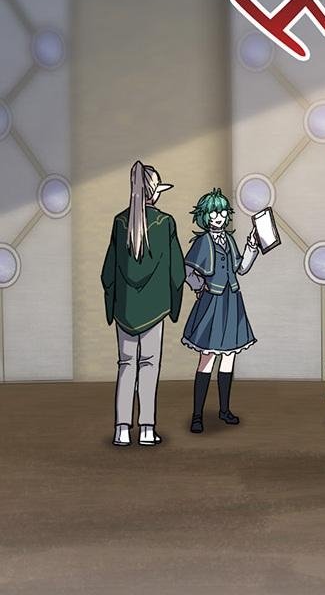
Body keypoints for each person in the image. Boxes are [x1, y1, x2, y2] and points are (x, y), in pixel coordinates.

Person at [100, 160, 185, 447]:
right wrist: (173, 305)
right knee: (149, 366)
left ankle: (121, 430)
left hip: (124, 310)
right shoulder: (166, 223)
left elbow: (107, 272)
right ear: (154, 192)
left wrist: (112, 306)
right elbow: (177, 272)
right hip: (154, 309)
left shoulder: (119, 222)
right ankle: (147, 429)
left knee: (126, 365)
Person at [181, 189, 262, 432]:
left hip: (232, 301)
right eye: (215, 213)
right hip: (212, 304)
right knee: (207, 359)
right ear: (205, 216)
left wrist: (251, 246)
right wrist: (199, 286)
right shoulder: (202, 242)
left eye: (223, 212)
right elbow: (187, 270)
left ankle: (224, 410)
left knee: (228, 358)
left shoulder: (229, 240)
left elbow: (240, 268)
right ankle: (197, 415)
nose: (220, 217)